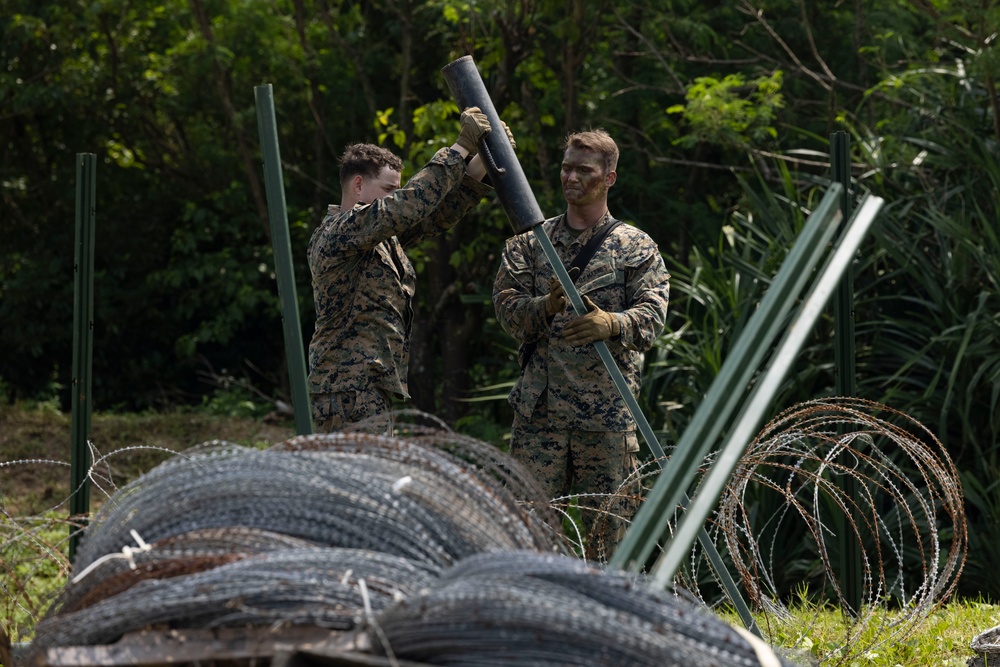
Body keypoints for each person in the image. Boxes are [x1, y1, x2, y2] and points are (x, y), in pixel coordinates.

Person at [492, 129, 670, 560]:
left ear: (609, 178)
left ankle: (606, 620)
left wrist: (611, 323)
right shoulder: (530, 245)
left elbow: (653, 317)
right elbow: (507, 311)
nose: (571, 177)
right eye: (566, 167)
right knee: (527, 530)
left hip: (606, 415)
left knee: (610, 537)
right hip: (541, 414)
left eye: (583, 170)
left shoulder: (634, 246)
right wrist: (544, 307)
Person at [307, 106, 506, 434]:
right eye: (388, 190)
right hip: (346, 389)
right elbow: (406, 207)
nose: (394, 197)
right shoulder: (339, 233)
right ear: (358, 186)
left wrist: (481, 163)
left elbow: (431, 216)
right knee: (356, 482)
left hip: (364, 386)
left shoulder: (375, 238)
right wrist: (459, 148)